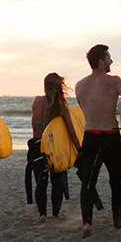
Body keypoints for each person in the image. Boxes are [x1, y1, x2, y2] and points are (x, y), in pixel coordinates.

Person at [74, 44, 121, 238]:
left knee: (88, 182)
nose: (111, 61)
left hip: (90, 136)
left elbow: (86, 110)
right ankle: (117, 221)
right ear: (101, 62)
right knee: (116, 181)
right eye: (109, 58)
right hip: (110, 137)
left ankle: (87, 223)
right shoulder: (114, 81)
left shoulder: (80, 85)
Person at [27, 72, 79, 221]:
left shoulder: (36, 101)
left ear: (45, 87)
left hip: (36, 146)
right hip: (53, 149)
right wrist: (79, 151)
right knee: (57, 182)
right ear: (60, 88)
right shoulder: (61, 108)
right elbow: (72, 133)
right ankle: (55, 214)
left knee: (41, 182)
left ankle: (42, 214)